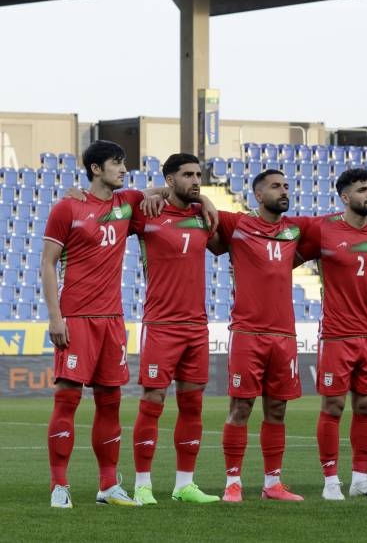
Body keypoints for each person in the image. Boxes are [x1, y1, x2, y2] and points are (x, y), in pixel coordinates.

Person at [42, 141, 147, 508]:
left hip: (112, 320)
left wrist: (207, 201)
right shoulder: (68, 207)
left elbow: (167, 191)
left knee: (111, 402)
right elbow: (48, 263)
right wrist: (55, 317)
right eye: (116, 163)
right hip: (76, 318)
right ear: (96, 169)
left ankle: (108, 486)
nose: (124, 169)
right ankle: (59, 486)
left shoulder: (127, 204)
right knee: (67, 398)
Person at [296, 168, 367, 500]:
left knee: (366, 406)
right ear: (345, 197)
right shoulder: (323, 228)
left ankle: (361, 479)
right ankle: (331, 481)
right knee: (333, 406)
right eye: (362, 190)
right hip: (336, 333)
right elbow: (291, 258)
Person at [129, 153, 220, 505]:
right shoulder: (148, 212)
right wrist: (156, 192)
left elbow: (230, 241)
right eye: (187, 175)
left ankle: (185, 485)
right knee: (153, 401)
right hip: (161, 325)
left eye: (198, 175)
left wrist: (206, 199)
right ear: (170, 180)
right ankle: (142, 484)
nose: (196, 180)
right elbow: (118, 201)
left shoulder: (203, 216)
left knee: (192, 405)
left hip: (196, 326)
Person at [213, 169, 306, 502]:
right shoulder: (237, 224)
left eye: (286, 186)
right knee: (241, 407)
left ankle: (272, 484)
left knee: (277, 409)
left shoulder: (296, 229)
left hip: (284, 334)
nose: (284, 191)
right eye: (275, 186)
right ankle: (232, 483)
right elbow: (195, 204)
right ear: (257, 194)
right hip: (247, 332)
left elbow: (342, 223)